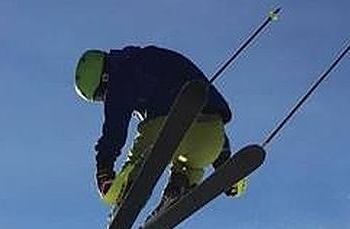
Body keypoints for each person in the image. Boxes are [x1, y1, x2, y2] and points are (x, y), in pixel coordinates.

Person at [74, 46, 240, 215]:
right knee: (190, 166)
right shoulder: (151, 59)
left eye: (102, 95)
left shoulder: (122, 73)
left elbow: (115, 128)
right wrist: (224, 164)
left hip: (167, 127)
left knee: (140, 158)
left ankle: (128, 193)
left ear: (104, 77)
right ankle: (179, 187)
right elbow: (204, 103)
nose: (106, 100)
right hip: (211, 136)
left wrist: (104, 167)